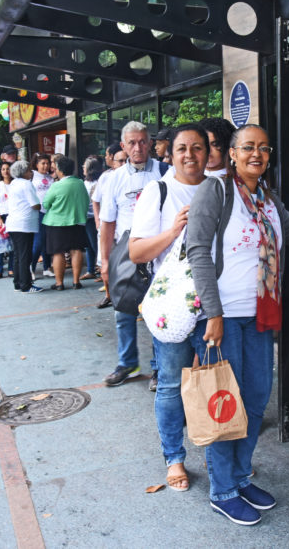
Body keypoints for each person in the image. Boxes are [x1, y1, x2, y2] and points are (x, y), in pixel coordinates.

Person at [185, 123, 289, 526]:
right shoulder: (215, 191)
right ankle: (222, 490)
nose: (257, 153)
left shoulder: (268, 198)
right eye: (248, 147)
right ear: (232, 153)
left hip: (260, 314)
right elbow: (197, 250)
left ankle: (239, 475)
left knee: (255, 398)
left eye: (264, 148)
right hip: (222, 316)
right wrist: (213, 314)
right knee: (224, 404)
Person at [129, 124, 209, 492]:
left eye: (197, 147)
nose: (189, 155)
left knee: (214, 382)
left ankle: (217, 454)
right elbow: (137, 252)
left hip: (215, 305)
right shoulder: (157, 190)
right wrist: (174, 230)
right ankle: (174, 458)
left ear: (209, 153)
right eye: (181, 148)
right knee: (171, 386)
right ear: (170, 154)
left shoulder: (221, 189)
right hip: (173, 307)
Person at [99, 121, 164, 387]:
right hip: (125, 253)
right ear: (123, 146)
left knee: (159, 312)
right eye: (132, 143)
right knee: (123, 310)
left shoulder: (165, 172)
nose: (138, 148)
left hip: (159, 251)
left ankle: (160, 367)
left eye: (142, 141)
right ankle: (127, 362)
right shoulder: (113, 179)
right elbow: (107, 224)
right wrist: (104, 261)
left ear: (149, 143)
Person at [41, 157, 90, 290]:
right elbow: (86, 201)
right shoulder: (80, 183)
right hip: (77, 221)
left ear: (60, 170)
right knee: (76, 250)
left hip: (56, 223)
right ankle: (76, 281)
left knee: (58, 252)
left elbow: (46, 204)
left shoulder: (56, 186)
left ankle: (59, 283)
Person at [92, 144, 124, 309]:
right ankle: (109, 295)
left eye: (126, 161)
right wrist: (98, 219)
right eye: (120, 161)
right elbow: (95, 199)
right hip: (107, 227)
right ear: (113, 162)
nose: (123, 164)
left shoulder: (133, 177)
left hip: (125, 230)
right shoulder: (106, 177)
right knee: (105, 264)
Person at [5, 160, 42, 293]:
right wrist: (41, 205)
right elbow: (35, 204)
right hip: (24, 223)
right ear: (24, 172)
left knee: (17, 255)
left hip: (14, 223)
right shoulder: (26, 184)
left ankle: (18, 283)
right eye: (28, 170)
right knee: (25, 256)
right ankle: (26, 285)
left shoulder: (13, 183)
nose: (31, 173)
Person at [31, 154, 54, 278]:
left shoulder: (50, 178)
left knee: (46, 242)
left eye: (47, 163)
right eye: (43, 163)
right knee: (38, 242)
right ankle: (31, 268)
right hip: (37, 213)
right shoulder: (32, 177)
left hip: (49, 213)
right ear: (36, 164)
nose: (46, 166)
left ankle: (46, 267)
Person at [81, 155, 103, 282]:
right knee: (88, 245)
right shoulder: (84, 183)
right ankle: (90, 270)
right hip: (86, 218)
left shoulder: (97, 184)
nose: (83, 167)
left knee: (95, 245)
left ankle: (101, 270)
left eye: (85, 165)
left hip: (93, 218)